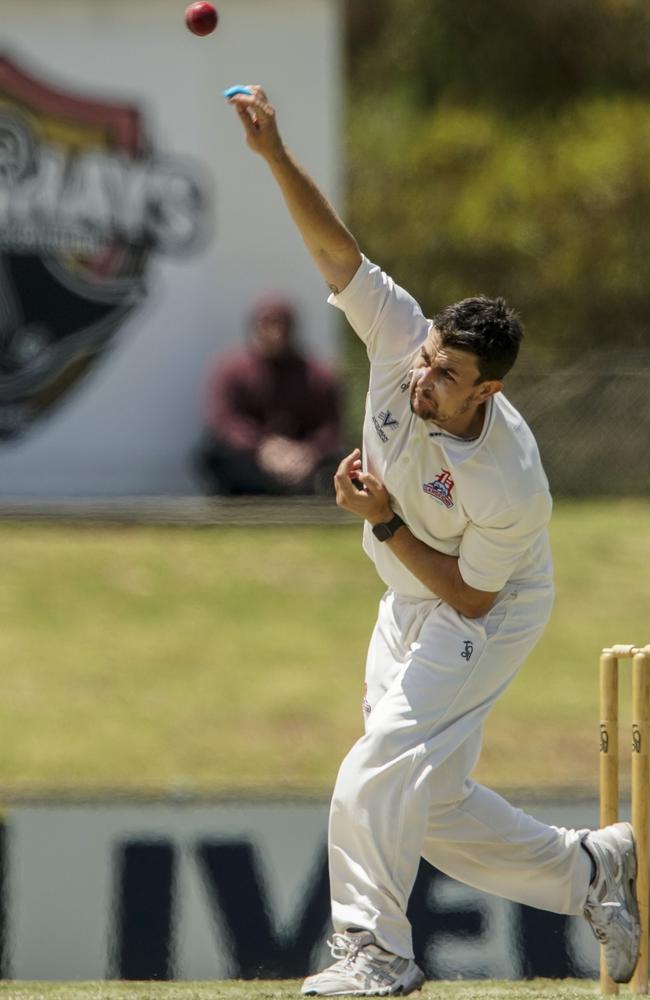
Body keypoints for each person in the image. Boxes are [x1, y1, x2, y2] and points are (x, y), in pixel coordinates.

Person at [226, 86, 640, 996]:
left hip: (486, 607)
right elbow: (336, 251)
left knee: (375, 770)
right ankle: (594, 871)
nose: (424, 376)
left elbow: (474, 598)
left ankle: (377, 952)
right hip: (408, 591)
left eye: (448, 375)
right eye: (428, 357)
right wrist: (274, 157)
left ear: (485, 392)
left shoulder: (511, 479)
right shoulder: (402, 339)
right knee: (428, 802)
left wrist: (382, 521)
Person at [195, 296, 342, 496]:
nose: (273, 334)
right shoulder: (232, 370)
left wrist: (307, 452)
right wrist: (262, 448)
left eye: (279, 326)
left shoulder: (316, 374)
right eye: (266, 325)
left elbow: (329, 426)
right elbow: (224, 420)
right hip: (249, 459)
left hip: (301, 461)